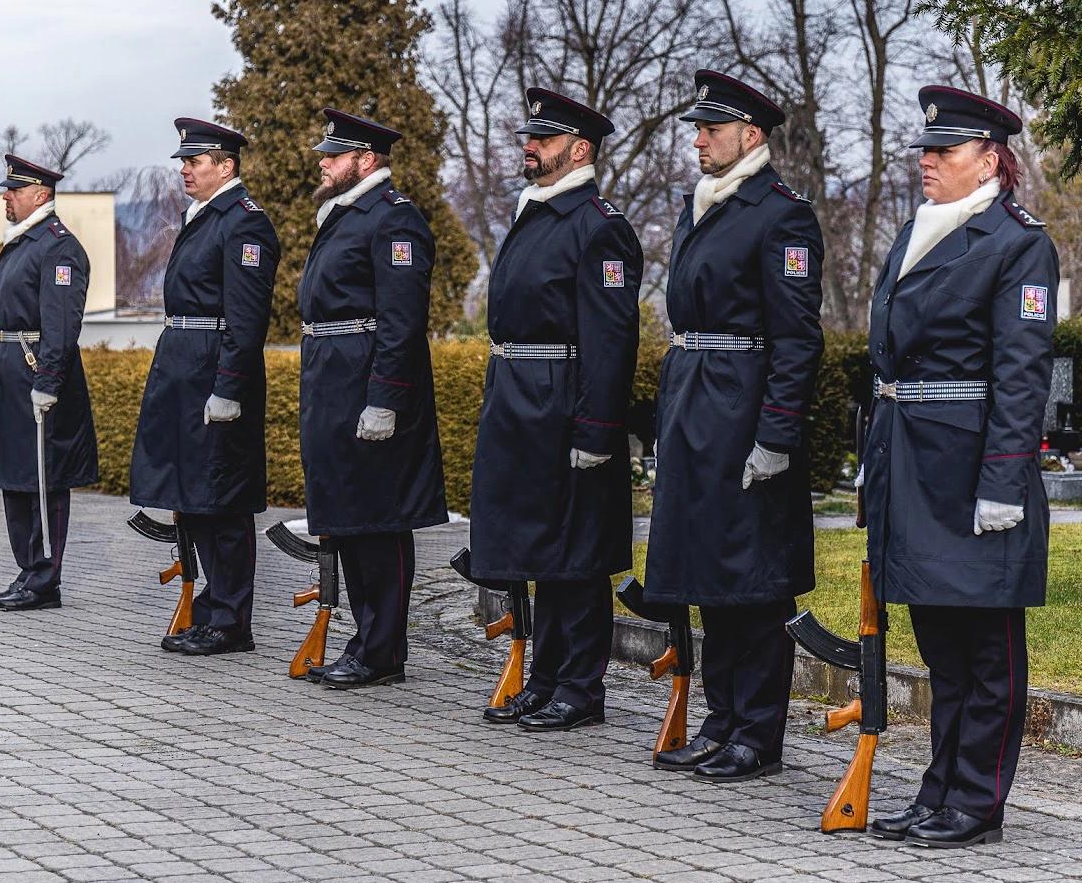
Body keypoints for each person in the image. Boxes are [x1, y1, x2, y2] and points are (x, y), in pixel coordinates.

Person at [862, 86, 1057, 847]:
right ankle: (938, 790)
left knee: (986, 653)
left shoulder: (1017, 241)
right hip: (915, 468)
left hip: (976, 473)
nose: (926, 160)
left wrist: (1005, 480)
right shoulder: (920, 232)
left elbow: (1022, 371)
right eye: (925, 148)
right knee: (943, 650)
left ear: (990, 160)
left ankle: (977, 801)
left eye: (943, 150)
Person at [642, 71, 825, 781]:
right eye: (697, 129)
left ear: (751, 135)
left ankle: (758, 733)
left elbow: (798, 338)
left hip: (745, 409)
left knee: (754, 579)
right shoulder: (702, 204)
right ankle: (721, 720)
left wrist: (777, 433)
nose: (697, 140)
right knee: (708, 574)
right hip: (697, 402)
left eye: (710, 130)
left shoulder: (780, 214)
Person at [468, 88, 642, 732]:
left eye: (541, 140)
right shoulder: (537, 213)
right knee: (540, 547)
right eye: (527, 138)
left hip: (563, 396)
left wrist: (598, 425)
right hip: (519, 393)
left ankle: (580, 687)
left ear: (581, 149)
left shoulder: (598, 224)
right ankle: (545, 676)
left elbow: (611, 335)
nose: (528, 147)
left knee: (576, 552)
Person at [297, 108, 447, 688]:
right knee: (348, 517)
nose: (324, 163)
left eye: (333, 156)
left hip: (366, 380)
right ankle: (364, 640)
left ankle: (382, 649)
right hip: (334, 379)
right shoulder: (345, 216)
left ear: (365, 160)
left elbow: (402, 321)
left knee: (379, 520)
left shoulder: (393, 220)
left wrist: (385, 396)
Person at [129, 118, 280, 655]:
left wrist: (230, 387)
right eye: (184, 163)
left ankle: (231, 620)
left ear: (226, 166)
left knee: (222, 500)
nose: (184, 171)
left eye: (194, 162)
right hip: (185, 368)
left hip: (215, 368)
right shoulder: (206, 219)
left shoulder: (243, 224)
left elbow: (246, 319)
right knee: (194, 496)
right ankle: (212, 610)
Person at [0, 155, 98, 611]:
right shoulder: (23, 241)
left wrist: (48, 380)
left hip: (34, 374)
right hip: (8, 369)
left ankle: (45, 579)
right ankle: (28, 569)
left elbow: (61, 325)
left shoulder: (58, 247)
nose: (6, 196)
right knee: (15, 475)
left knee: (43, 480)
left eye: (16, 189)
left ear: (41, 195)